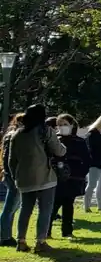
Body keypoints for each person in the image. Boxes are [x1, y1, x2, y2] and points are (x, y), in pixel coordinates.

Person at [5, 105, 65, 252]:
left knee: (25, 210)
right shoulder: (45, 131)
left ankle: (21, 241)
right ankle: (40, 242)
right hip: (45, 176)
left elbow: (11, 160)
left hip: (24, 178)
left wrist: (15, 176)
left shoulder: (17, 134)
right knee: (45, 210)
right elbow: (59, 151)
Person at [51, 115, 89, 240]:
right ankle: (46, 231)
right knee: (54, 204)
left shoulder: (79, 141)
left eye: (65, 124)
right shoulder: (55, 139)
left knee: (68, 204)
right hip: (56, 177)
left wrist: (81, 173)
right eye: (60, 124)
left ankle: (67, 231)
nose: (62, 127)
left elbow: (87, 159)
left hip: (73, 177)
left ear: (72, 125)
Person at [0, 114, 22, 246]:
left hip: (9, 174)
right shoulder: (14, 136)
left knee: (13, 207)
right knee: (10, 207)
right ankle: (4, 236)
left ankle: (7, 234)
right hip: (13, 175)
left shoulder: (9, 135)